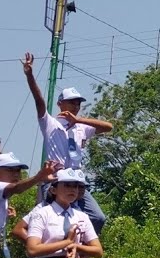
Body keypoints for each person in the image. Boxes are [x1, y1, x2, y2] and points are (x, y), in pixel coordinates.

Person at [21, 53, 112, 232]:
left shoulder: (82, 126)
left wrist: (79, 120)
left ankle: (78, 248)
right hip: (57, 179)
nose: (75, 106)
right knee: (46, 220)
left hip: (77, 180)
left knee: (98, 218)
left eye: (78, 103)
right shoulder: (50, 123)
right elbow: (39, 101)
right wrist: (30, 76)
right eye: (71, 102)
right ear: (60, 104)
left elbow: (108, 127)